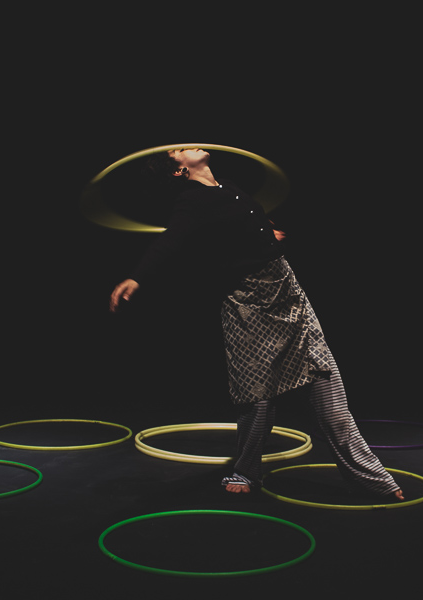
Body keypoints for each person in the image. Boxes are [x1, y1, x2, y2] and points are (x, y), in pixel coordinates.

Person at [109, 147, 403, 500]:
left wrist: (268, 230)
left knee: (327, 382)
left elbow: (247, 218)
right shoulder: (191, 202)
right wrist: (137, 278)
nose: (189, 144)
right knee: (256, 396)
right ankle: (246, 470)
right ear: (179, 171)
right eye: (179, 150)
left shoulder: (228, 186)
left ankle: (373, 478)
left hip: (287, 293)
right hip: (248, 304)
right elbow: (170, 241)